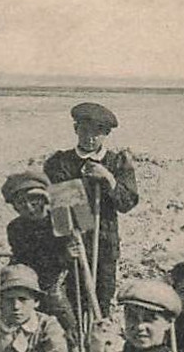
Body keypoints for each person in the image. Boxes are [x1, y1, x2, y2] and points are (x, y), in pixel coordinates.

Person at [42, 102, 139, 316]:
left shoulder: (117, 162)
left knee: (101, 304)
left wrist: (109, 179)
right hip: (70, 243)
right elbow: (56, 207)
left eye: (97, 133)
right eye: (85, 131)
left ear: (106, 134)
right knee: (72, 304)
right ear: (76, 130)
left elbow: (127, 203)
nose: (90, 138)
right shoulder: (60, 163)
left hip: (104, 245)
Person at [2, 168, 77, 340]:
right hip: (33, 280)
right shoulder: (16, 228)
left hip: (64, 281)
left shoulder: (62, 220)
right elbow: (28, 259)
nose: (29, 208)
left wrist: (72, 254)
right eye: (21, 204)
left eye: (34, 202)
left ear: (44, 200)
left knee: (65, 320)